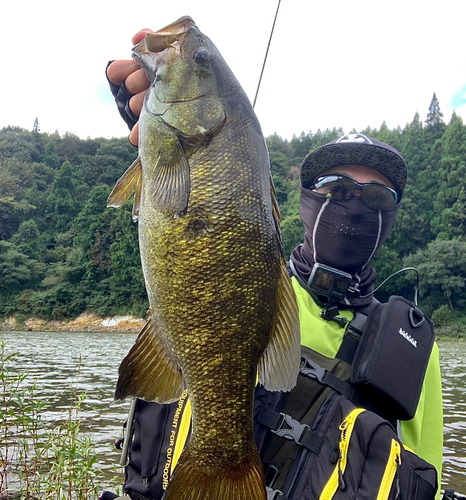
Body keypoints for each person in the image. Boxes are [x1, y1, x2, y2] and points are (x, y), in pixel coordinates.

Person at [102, 30, 443, 500]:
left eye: (377, 196)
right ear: (304, 201)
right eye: (337, 190)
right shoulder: (258, 282)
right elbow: (189, 254)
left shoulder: (411, 348)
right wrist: (158, 150)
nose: (356, 206)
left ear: (391, 216)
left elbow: (425, 473)